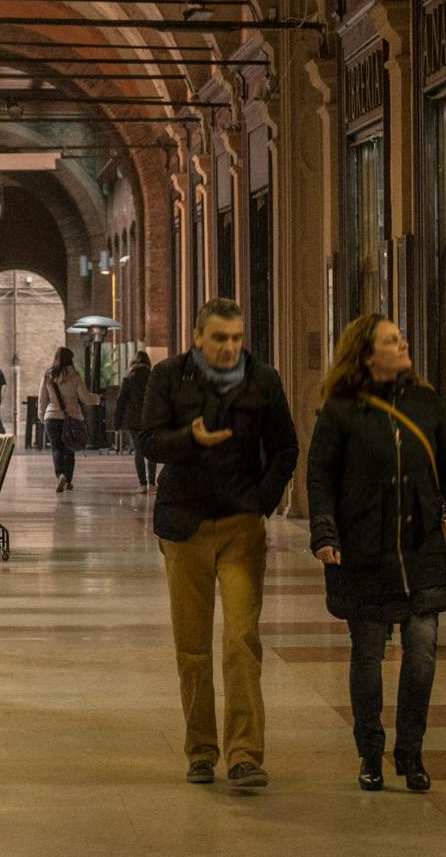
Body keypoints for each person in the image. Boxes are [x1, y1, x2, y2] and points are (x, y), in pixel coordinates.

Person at [307, 314, 446, 794]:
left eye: (401, 337)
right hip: (364, 550)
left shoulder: (424, 402)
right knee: (367, 653)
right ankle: (370, 752)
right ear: (367, 354)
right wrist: (325, 533)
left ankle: (411, 750)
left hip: (421, 545)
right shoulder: (340, 409)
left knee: (423, 649)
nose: (403, 343)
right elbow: (321, 477)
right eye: (392, 340)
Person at [140, 298, 298, 790]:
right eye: (220, 338)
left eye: (236, 338)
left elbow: (286, 448)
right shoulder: (168, 377)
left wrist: (261, 504)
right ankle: (201, 751)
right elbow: (148, 440)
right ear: (197, 338)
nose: (230, 347)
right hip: (184, 525)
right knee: (192, 647)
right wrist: (190, 438)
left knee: (241, 641)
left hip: (239, 527)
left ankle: (246, 754)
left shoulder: (264, 380)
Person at [39, 346, 97, 492]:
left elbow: (42, 399)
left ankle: (60, 475)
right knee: (69, 449)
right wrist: (97, 399)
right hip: (71, 418)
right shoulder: (75, 377)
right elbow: (86, 399)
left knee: (56, 448)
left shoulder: (48, 375)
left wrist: (41, 416)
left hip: (51, 418)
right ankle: (68, 480)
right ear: (70, 359)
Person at [111, 351, 155, 490]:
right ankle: (152, 483)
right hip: (151, 420)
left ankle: (142, 484)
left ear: (133, 363)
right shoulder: (153, 377)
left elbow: (121, 402)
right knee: (151, 450)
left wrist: (116, 423)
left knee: (139, 451)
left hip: (134, 421)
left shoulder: (128, 378)